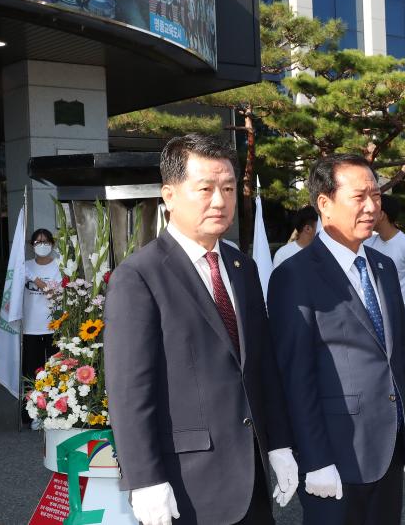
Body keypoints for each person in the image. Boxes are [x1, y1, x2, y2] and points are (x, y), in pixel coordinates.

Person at [104, 134, 298, 525]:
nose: (220, 201)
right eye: (205, 189)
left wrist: (279, 444)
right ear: (169, 195)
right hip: (187, 484)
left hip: (253, 475)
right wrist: (144, 480)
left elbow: (260, 368)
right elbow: (130, 391)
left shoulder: (243, 268)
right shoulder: (139, 276)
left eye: (227, 188)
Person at [267, 155, 405, 525]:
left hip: (388, 446)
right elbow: (295, 378)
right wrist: (316, 459)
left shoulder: (383, 267)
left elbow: (399, 358)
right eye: (359, 197)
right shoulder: (295, 275)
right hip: (334, 454)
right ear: (324, 203)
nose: (372, 207)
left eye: (376, 195)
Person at [364, 194, 405, 407]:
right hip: (378, 320)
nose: (368, 212)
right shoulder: (370, 242)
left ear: (383, 215)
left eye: (374, 209)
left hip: (404, 320)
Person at [22, 228, 61, 430]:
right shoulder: (25, 266)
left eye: (45, 241)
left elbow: (54, 295)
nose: (42, 245)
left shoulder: (59, 266)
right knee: (32, 373)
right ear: (31, 246)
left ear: (52, 244)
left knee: (54, 372)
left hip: (53, 328)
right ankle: (33, 413)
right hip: (30, 329)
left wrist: (35, 279)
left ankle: (56, 411)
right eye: (37, 242)